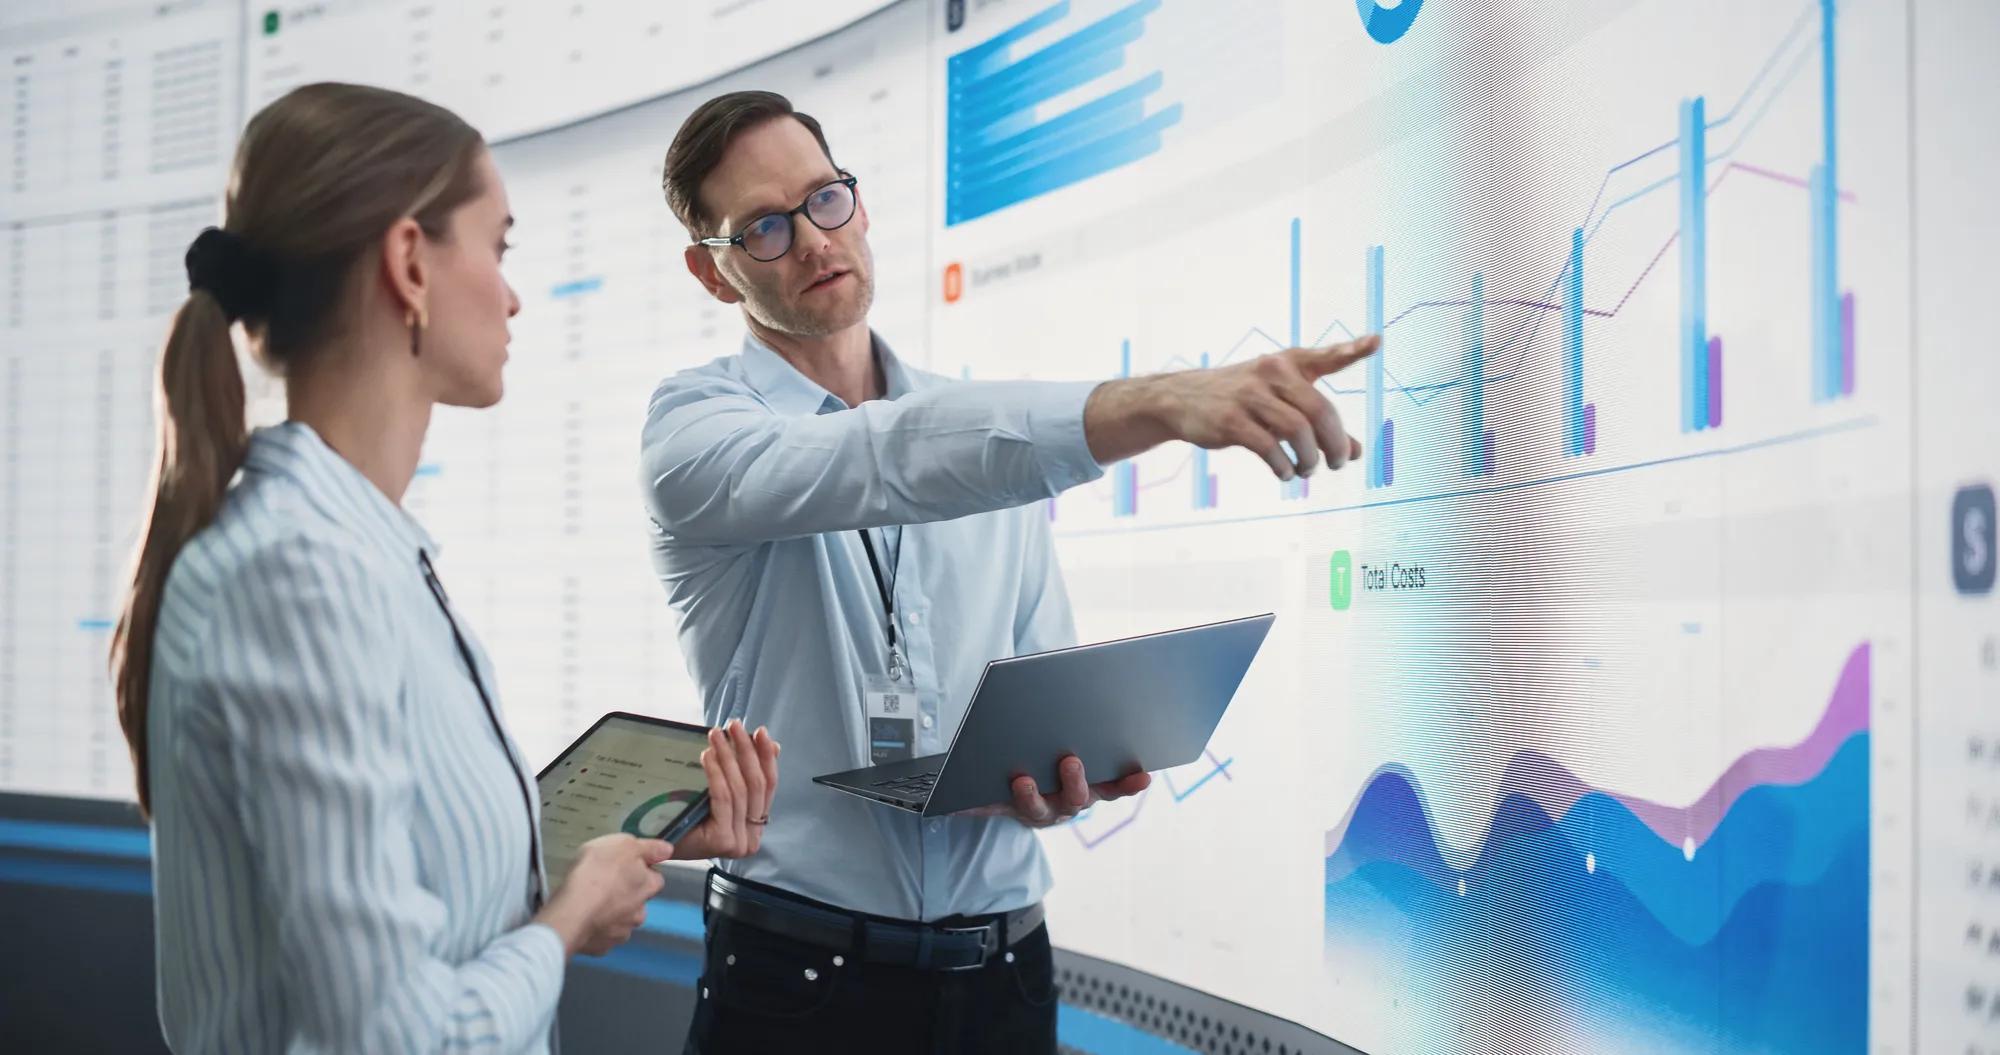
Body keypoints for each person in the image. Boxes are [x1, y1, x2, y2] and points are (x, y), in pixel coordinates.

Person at [643, 90, 1377, 1054]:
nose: (817, 242)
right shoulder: (696, 430)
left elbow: (1037, 668)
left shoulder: (979, 432)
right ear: (712, 271)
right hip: (796, 982)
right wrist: (1154, 403)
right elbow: (879, 460)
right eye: (767, 229)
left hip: (1005, 976)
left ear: (857, 203)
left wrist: (1052, 771)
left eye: (826, 200)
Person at [106, 82, 780, 1054]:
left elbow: (406, 900)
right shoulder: (300, 578)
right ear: (409, 263)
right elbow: (394, 1035)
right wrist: (564, 921)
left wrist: (601, 855)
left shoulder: (355, 550)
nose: (509, 293)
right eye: (496, 246)